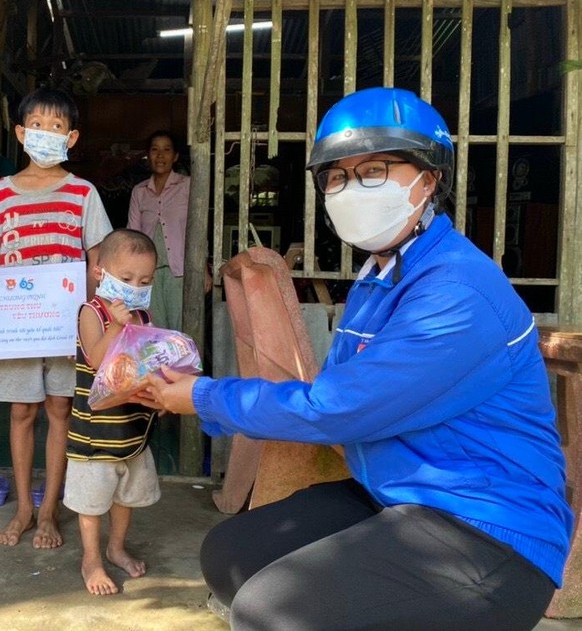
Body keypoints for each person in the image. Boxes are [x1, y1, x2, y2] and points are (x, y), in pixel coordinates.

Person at [140, 87, 573, 630]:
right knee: (229, 555)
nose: (351, 189)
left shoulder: (457, 290)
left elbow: (338, 408)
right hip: (392, 492)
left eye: (374, 170)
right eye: (338, 177)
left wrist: (202, 395)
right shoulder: (380, 275)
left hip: (484, 526)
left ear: (429, 178)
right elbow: (338, 393)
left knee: (269, 610)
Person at [0, 87, 113, 548]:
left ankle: (49, 510)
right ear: (20, 132)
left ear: (71, 138)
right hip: (14, 330)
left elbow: (96, 265)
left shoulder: (83, 193)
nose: (46, 134)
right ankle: (24, 510)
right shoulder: (0, 194)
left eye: (56, 127)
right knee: (21, 412)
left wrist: (96, 325)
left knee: (59, 410)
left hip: (65, 329)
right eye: (37, 125)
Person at [66, 228, 161, 595]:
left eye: (144, 280)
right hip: (94, 432)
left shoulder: (142, 315)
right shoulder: (92, 312)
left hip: (133, 429)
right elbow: (97, 358)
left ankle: (116, 546)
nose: (135, 287)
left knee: (126, 496)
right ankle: (91, 559)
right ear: (99, 272)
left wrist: (163, 391)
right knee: (91, 502)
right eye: (126, 278)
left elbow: (149, 359)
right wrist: (118, 324)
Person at [126, 131, 189, 330]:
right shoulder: (139, 191)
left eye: (166, 150)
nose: (160, 156)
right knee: (153, 328)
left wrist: (202, 269)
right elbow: (132, 235)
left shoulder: (188, 186)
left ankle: (184, 363)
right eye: (155, 150)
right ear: (148, 155)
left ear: (175, 156)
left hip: (179, 272)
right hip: (147, 274)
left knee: (181, 328)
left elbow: (197, 230)